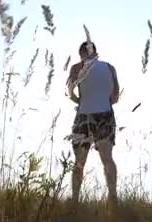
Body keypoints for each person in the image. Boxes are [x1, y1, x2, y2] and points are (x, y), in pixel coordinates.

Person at [66, 41, 120, 206]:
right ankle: (112, 197)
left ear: (81, 53)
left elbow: (71, 93)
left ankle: (75, 199)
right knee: (107, 159)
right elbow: (115, 97)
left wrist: (80, 100)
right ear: (96, 52)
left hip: (84, 115)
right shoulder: (110, 67)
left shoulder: (76, 68)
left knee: (79, 162)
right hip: (105, 115)